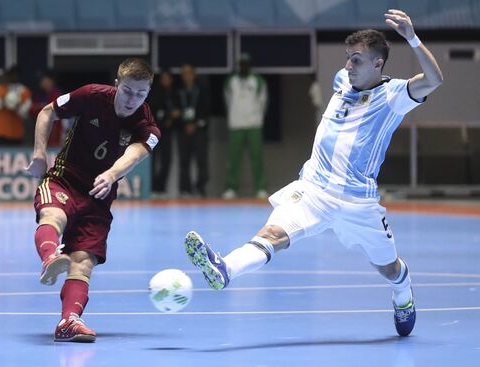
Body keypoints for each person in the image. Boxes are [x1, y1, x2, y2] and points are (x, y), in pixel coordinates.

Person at [185, 10, 443, 337]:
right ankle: (225, 270)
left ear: (378, 64)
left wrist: (412, 38)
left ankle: (403, 293)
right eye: (348, 58)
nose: (349, 66)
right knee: (273, 234)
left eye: (357, 60)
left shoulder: (393, 96)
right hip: (314, 190)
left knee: (388, 267)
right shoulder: (341, 81)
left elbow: (435, 80)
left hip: (357, 203)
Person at [25, 58, 160, 343]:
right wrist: (39, 153)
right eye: (128, 91)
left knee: (83, 261)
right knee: (53, 216)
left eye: (140, 94)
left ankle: (69, 322)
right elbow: (48, 112)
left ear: (148, 93)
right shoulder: (91, 95)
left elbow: (134, 155)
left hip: (99, 196)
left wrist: (110, 175)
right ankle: (50, 257)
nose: (132, 100)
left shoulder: (147, 126)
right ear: (116, 85)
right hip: (64, 178)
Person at [222, 53, 268, 199]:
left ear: (250, 65)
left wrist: (257, 117)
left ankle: (260, 188)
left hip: (254, 124)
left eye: (246, 63)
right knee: (233, 158)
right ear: (238, 65)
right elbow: (227, 100)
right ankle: (231, 188)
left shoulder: (258, 80)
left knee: (257, 157)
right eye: (241, 63)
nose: (243, 66)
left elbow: (263, 101)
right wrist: (235, 115)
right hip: (236, 124)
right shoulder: (231, 81)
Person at [177, 63, 211, 198]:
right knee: (184, 161)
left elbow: (207, 108)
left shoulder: (202, 89)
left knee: (202, 160)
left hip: (199, 130)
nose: (187, 76)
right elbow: (175, 109)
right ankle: (185, 189)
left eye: (189, 73)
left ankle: (200, 187)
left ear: (194, 74)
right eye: (184, 73)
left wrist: (196, 124)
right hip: (183, 130)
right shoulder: (178, 90)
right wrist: (183, 123)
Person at [148, 70, 180, 198]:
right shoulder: (155, 93)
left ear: (171, 79)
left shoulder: (175, 93)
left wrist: (172, 118)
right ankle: (153, 188)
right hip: (155, 132)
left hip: (168, 133)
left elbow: (178, 112)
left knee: (167, 159)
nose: (166, 80)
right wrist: (168, 116)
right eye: (164, 78)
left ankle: (161, 188)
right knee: (153, 160)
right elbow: (153, 111)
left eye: (168, 78)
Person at [0, 66, 32, 146]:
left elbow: (26, 113)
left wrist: (17, 106)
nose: (11, 77)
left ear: (18, 75)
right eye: (9, 74)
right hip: (1, 133)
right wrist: (3, 103)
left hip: (17, 134)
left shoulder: (24, 91)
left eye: (13, 74)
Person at [30, 70, 66, 147]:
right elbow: (31, 110)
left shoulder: (57, 95)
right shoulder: (39, 95)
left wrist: (39, 108)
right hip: (41, 135)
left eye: (43, 79)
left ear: (50, 81)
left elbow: (52, 112)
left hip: (54, 135)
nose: (41, 81)